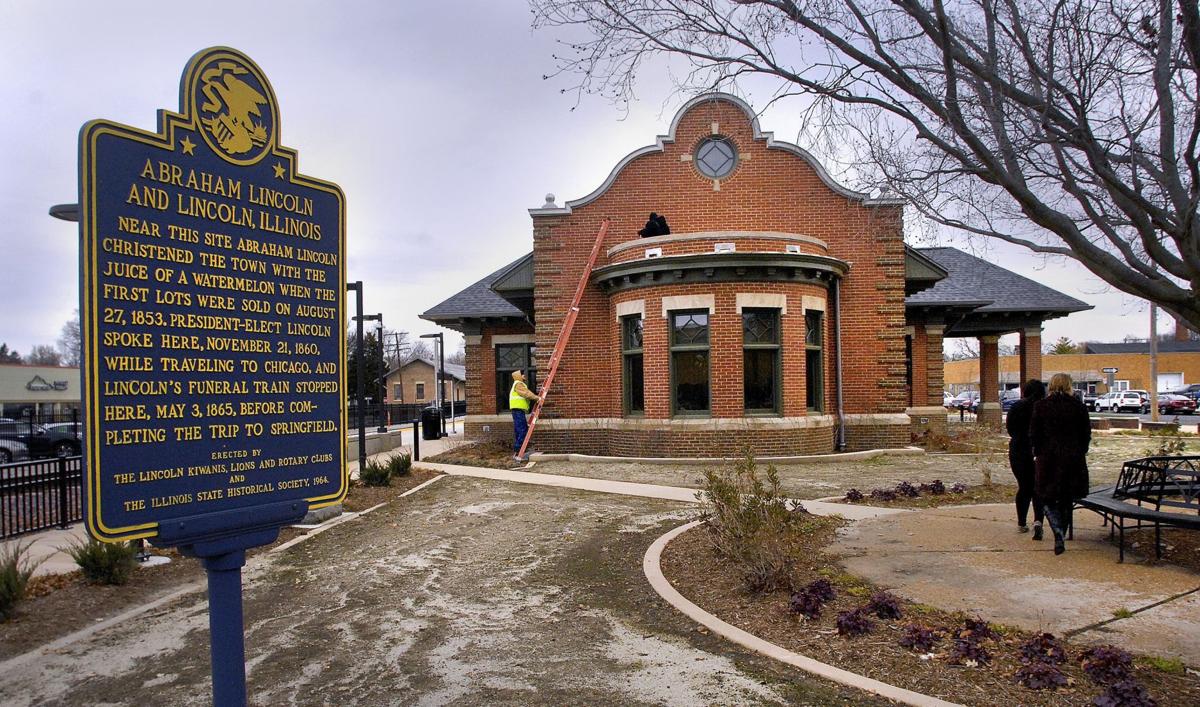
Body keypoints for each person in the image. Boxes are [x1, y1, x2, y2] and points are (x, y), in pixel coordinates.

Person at [1030, 373, 1092, 555]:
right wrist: (1080, 451)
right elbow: (1086, 434)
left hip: (1048, 458)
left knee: (1046, 496)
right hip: (1073, 458)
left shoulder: (1041, 406)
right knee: (1067, 498)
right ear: (1069, 386)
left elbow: (1034, 434)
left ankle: (1057, 532)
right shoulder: (1078, 407)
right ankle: (1061, 533)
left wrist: (1038, 452)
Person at [1006, 379, 1046, 539]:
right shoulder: (1043, 408)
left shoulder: (1016, 407)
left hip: (1018, 449)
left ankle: (1022, 523)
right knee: (1038, 488)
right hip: (1038, 450)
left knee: (1024, 487)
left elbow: (1010, 428)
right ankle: (1038, 521)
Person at [509, 370, 541, 461]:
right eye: (523, 375)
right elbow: (526, 393)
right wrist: (537, 398)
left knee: (519, 430)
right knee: (523, 430)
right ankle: (518, 450)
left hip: (518, 410)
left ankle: (518, 451)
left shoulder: (517, 383)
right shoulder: (518, 384)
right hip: (518, 410)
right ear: (519, 376)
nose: (524, 376)